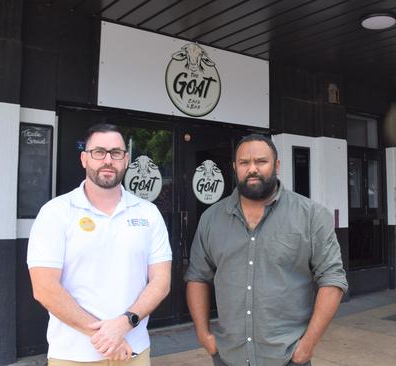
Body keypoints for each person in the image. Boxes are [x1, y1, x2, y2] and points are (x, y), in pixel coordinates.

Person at [185, 134, 348, 366]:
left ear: (277, 166)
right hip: (229, 357)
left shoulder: (311, 215)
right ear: (234, 167)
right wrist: (204, 334)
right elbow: (197, 277)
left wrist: (308, 346)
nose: (252, 169)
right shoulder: (211, 219)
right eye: (244, 163)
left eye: (261, 161)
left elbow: (332, 281)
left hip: (288, 358)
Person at [27, 123, 172, 365]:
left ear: (126, 160)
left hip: (134, 353)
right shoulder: (55, 212)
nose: (108, 160)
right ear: (84, 159)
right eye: (99, 152)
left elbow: (161, 281)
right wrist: (106, 336)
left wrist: (124, 324)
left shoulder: (148, 213)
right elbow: (44, 288)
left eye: (116, 153)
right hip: (73, 356)